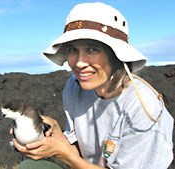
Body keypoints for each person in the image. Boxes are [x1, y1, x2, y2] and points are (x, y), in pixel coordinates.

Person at [12, 2, 174, 169]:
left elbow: (69, 156)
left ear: (116, 55)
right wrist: (53, 133)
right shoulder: (74, 87)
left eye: (92, 50)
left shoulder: (143, 108)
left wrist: (61, 152)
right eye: (73, 50)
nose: (80, 63)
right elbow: (78, 151)